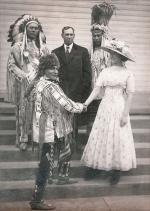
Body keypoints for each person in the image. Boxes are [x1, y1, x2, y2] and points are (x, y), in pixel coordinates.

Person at [29, 53, 85, 210]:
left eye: (56, 68)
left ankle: (37, 198)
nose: (55, 71)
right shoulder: (51, 86)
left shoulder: (39, 83)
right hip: (49, 130)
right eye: (51, 68)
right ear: (44, 69)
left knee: (45, 163)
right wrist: (82, 106)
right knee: (45, 166)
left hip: (41, 128)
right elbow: (67, 105)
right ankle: (37, 201)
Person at [81, 38, 136, 185]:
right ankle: (96, 168)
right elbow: (97, 89)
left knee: (117, 136)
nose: (111, 56)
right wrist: (85, 103)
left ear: (121, 57)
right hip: (105, 106)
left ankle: (115, 170)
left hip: (119, 107)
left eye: (114, 54)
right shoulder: (105, 71)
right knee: (101, 134)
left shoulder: (127, 74)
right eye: (111, 54)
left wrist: (125, 114)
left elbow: (130, 95)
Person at [7, 14, 49, 151]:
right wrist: (24, 75)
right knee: (24, 112)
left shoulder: (43, 48)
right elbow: (11, 66)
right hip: (25, 84)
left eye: (36, 28)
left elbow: (49, 64)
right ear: (26, 29)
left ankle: (37, 139)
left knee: (39, 111)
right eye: (31, 28)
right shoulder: (17, 47)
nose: (34, 30)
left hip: (40, 84)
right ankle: (23, 138)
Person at [84, 1, 116, 179]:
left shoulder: (108, 53)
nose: (96, 38)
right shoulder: (89, 51)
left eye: (98, 35)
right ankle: (91, 147)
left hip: (106, 94)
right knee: (91, 121)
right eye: (94, 35)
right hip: (93, 92)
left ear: (103, 36)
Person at [52, 26, 92, 151]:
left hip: (77, 91)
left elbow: (87, 74)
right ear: (62, 35)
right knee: (61, 117)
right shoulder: (55, 52)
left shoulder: (82, 51)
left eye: (71, 34)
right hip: (61, 91)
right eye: (66, 34)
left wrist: (81, 90)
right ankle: (62, 142)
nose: (69, 37)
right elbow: (53, 72)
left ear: (74, 36)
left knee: (74, 118)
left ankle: (73, 143)